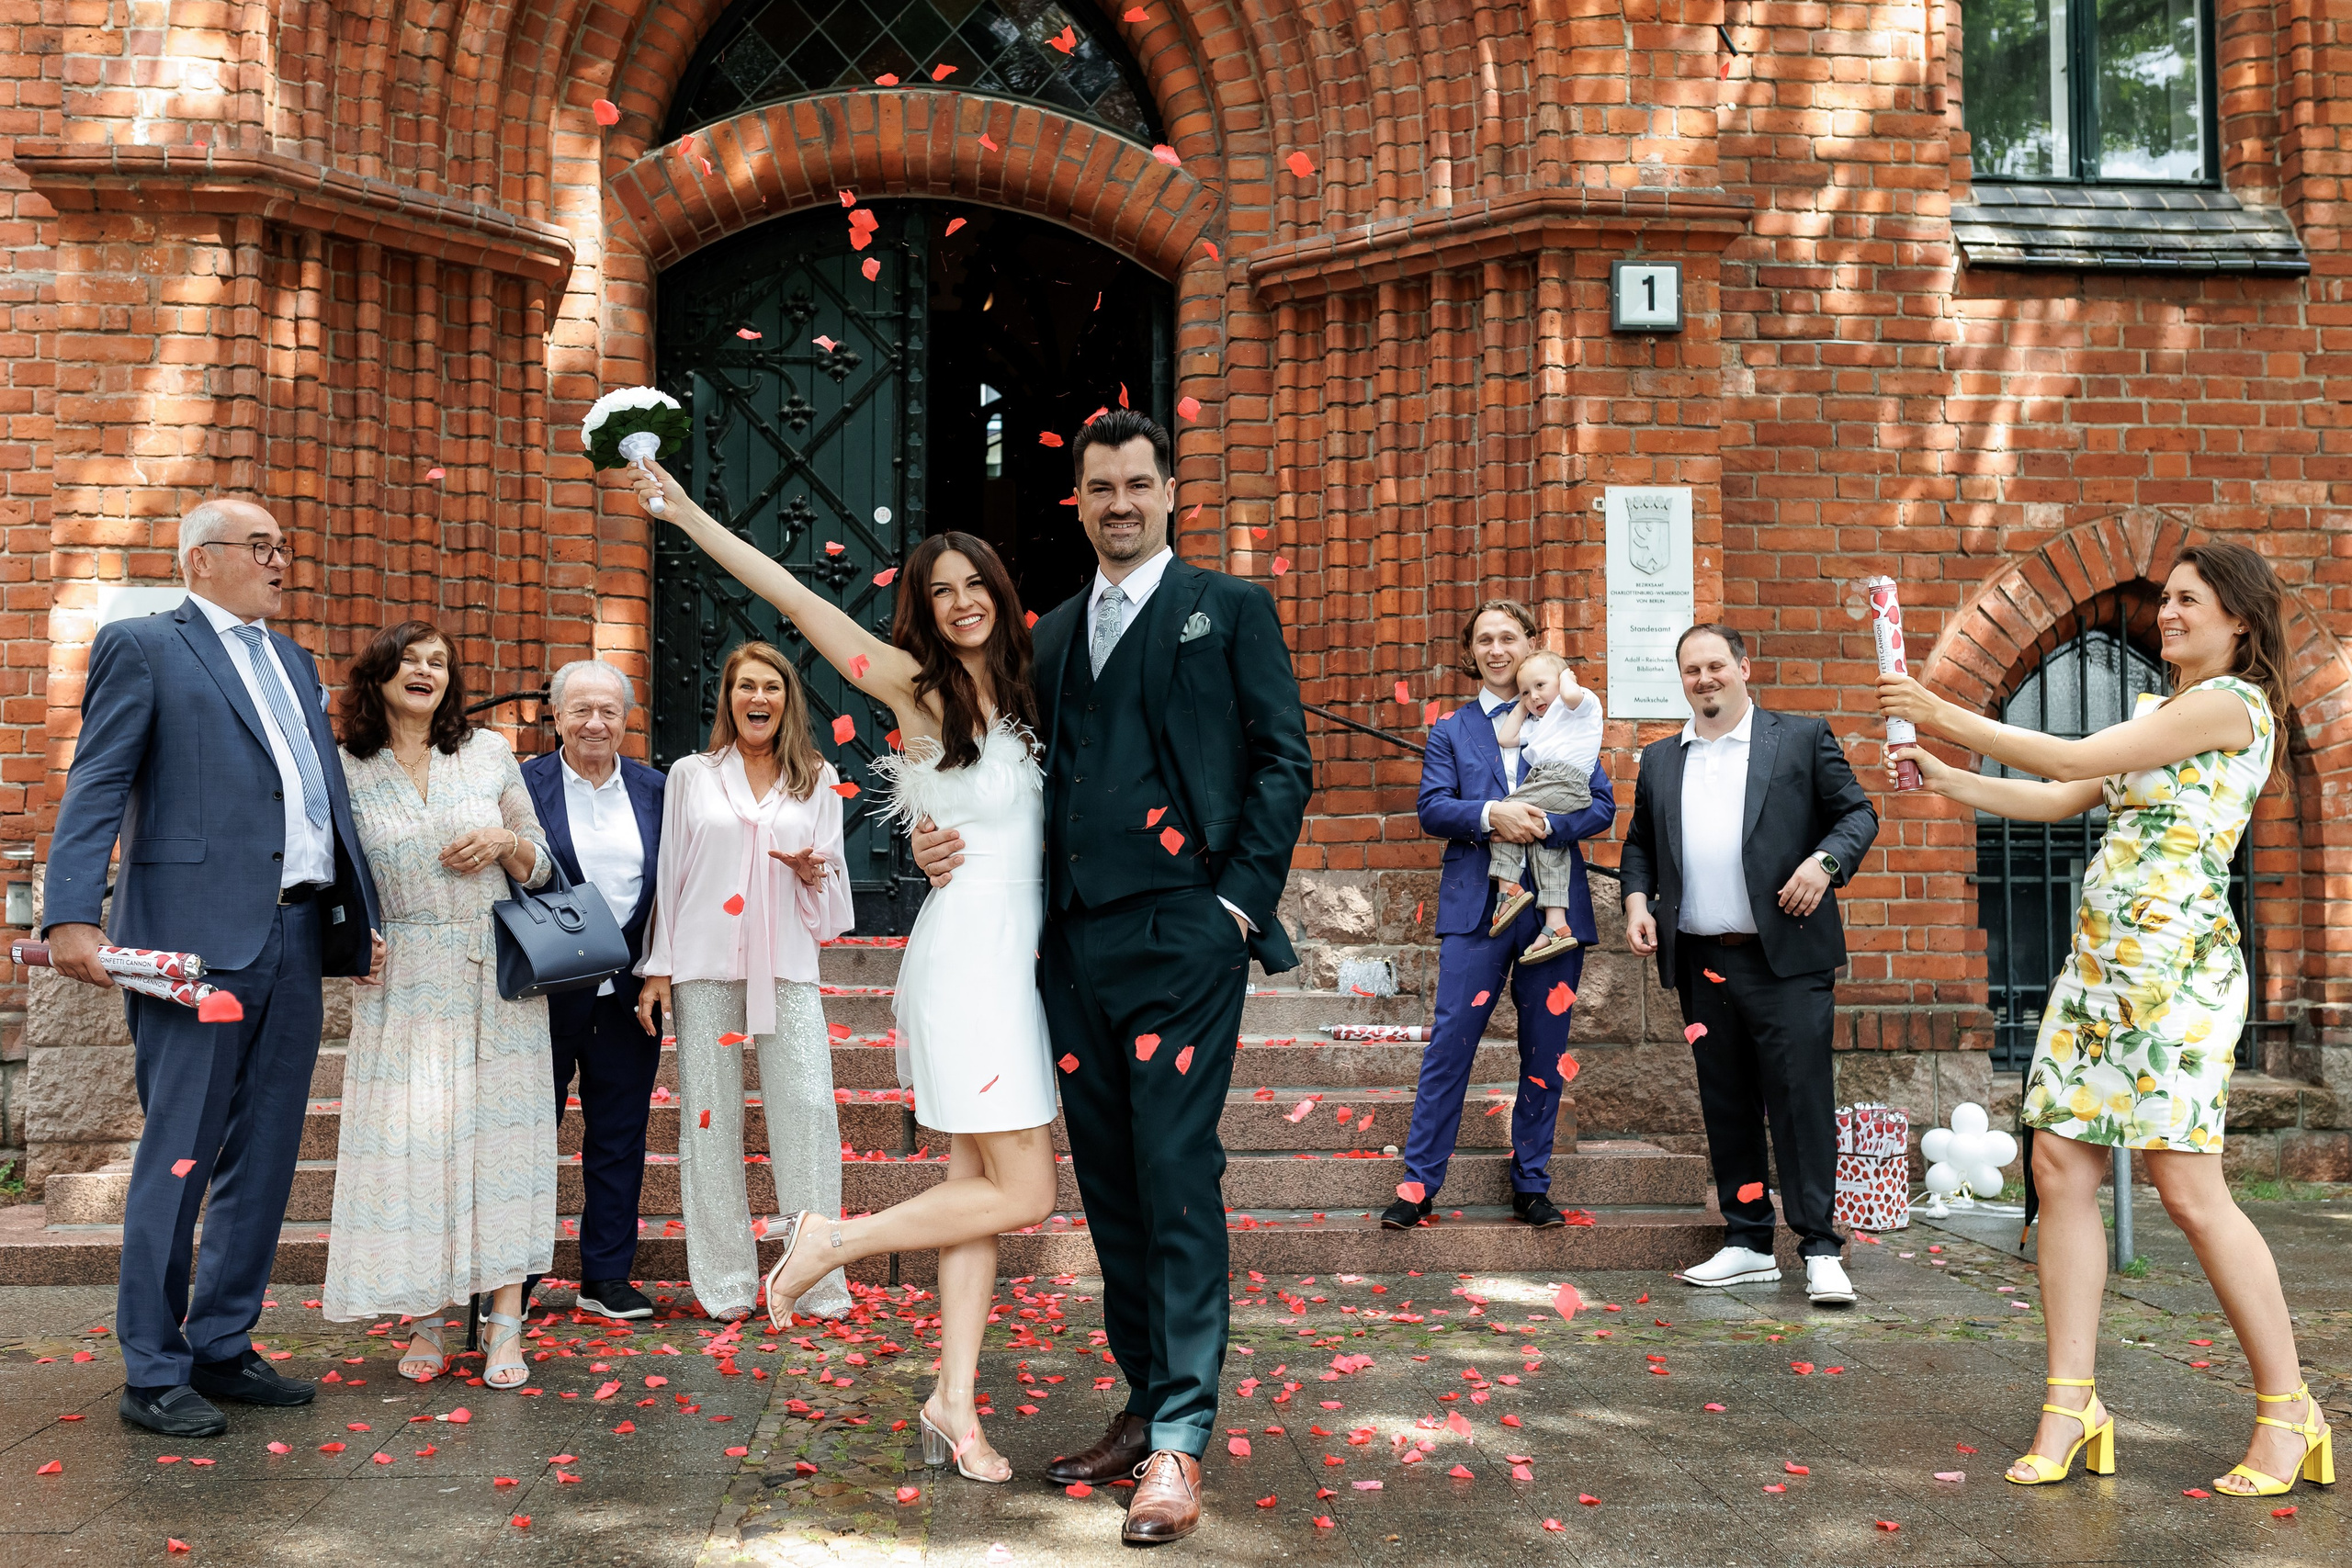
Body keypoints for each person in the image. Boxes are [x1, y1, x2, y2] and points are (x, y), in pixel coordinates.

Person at [910, 411, 1314, 1543]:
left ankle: (1181, 1439)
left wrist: (1234, 905)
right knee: (1116, 1186)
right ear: (1077, 503)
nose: (1121, 503)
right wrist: (927, 838)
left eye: (1140, 484)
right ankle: (1142, 1405)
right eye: (1101, 488)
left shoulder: (1226, 611)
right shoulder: (1046, 636)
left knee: (1176, 1168)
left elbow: (1285, 758)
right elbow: (984, 765)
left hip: (1185, 937)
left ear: (1171, 493)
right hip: (1070, 949)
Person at [630, 462, 1057, 1486]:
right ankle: (831, 1238)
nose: (958, 603)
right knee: (1029, 1191)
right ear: (922, 608)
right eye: (938, 589)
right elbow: (797, 601)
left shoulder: (1041, 694)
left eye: (973, 584)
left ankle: (953, 1401)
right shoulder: (916, 687)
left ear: (1000, 593)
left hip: (1020, 959)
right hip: (968, 964)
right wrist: (687, 510)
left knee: (978, 1189)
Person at [1881, 542, 2331, 1497]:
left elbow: (2072, 753)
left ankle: (2289, 1408)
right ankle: (2070, 1403)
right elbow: (2061, 796)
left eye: (2186, 601)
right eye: (2164, 600)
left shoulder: (2230, 706)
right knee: (2057, 1167)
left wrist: (1943, 713)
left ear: (2238, 619)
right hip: (2098, 972)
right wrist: (1947, 775)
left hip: (2177, 976)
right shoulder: (2158, 711)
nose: (2166, 613)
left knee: (2186, 1187)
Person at [43, 498, 382, 1438]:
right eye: (259, 548)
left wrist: (359, 916)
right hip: (192, 947)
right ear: (200, 560)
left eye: (284, 547)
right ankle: (153, 1369)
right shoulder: (145, 647)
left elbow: (318, 804)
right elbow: (100, 776)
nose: (279, 563)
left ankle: (222, 1345)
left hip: (295, 937)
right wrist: (73, 913)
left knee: (266, 1156)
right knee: (181, 1154)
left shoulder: (295, 661)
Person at [324, 620, 557, 1392]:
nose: (426, 671)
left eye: (439, 662)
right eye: (411, 660)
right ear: (379, 674)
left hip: (494, 973)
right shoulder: (346, 768)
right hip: (403, 980)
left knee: (501, 1151)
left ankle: (504, 1321)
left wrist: (501, 842)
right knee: (414, 1148)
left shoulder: (488, 752)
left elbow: (544, 864)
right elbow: (325, 876)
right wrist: (351, 944)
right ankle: (427, 1314)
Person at [1619, 624, 1879, 1305]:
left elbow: (1857, 814)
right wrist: (1637, 902)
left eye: (1715, 665)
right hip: (1704, 958)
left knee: (1800, 1102)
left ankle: (1820, 1246)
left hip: (1785, 956)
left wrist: (1824, 864)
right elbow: (1640, 844)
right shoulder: (1659, 759)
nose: (1704, 679)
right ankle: (1746, 1239)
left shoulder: (1797, 737)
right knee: (1726, 1102)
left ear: (1742, 666)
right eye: (1691, 670)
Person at [635, 640, 854, 1324]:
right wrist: (659, 968)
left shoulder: (817, 778)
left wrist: (814, 873)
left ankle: (815, 1277)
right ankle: (727, 1281)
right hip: (704, 968)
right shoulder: (692, 776)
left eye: (772, 687)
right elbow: (671, 874)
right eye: (745, 687)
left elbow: (836, 899)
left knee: (810, 1114)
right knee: (709, 1120)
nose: (758, 698)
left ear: (788, 701)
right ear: (727, 698)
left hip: (786, 965)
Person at [1386, 606, 1615, 1233]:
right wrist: (1493, 816)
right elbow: (1433, 807)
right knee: (1450, 1047)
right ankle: (1417, 1183)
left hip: (1554, 914)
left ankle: (1531, 1183)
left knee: (1545, 1052)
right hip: (1474, 910)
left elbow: (1603, 805)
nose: (1496, 648)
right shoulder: (1452, 730)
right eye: (1484, 638)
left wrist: (1549, 825)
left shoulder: (1567, 716)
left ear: (1529, 645)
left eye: (1507, 637)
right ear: (1471, 650)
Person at [521, 660, 666, 1321]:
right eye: (580, 709)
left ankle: (605, 1276)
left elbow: (677, 886)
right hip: (543, 991)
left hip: (629, 992)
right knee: (526, 1136)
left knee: (619, 1135)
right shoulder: (523, 786)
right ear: (555, 716)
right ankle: (512, 1278)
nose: (595, 722)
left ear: (627, 719)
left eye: (609, 710)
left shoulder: (657, 790)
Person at [1485, 649, 1605, 962]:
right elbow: (1506, 737)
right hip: (1547, 782)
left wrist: (1566, 676)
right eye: (1525, 691)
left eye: (1540, 686)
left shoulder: (1579, 706)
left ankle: (1508, 888)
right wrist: (1523, 707)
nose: (1534, 696)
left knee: (1506, 811)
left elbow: (1572, 695)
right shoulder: (1539, 724)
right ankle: (1556, 925)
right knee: (1547, 850)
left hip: (1566, 781)